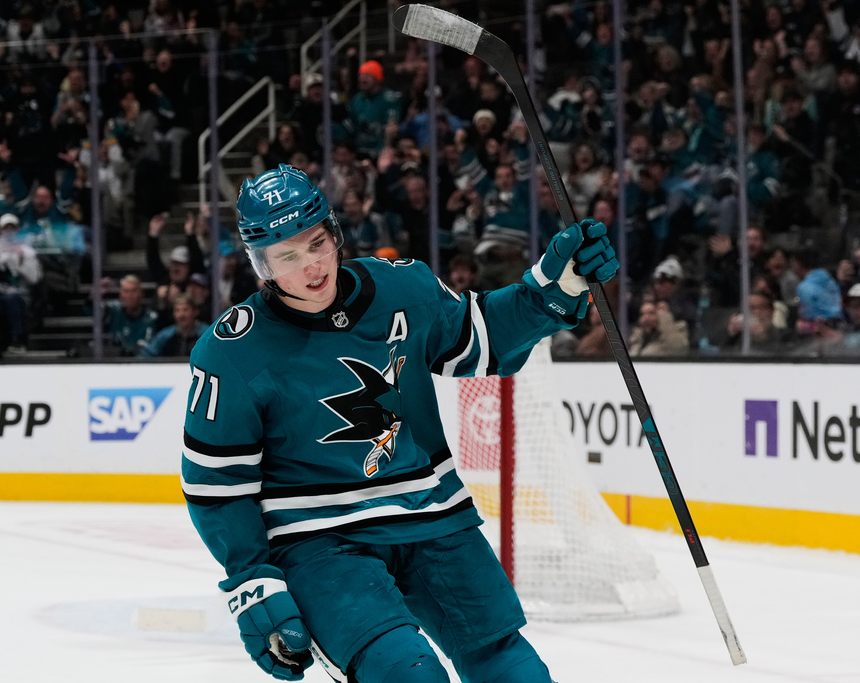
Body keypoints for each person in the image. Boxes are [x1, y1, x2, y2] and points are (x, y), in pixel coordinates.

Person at [180, 164, 618, 682]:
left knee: (514, 670)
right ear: (263, 265)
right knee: (409, 673)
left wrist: (552, 288)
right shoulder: (232, 353)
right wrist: (253, 579)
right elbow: (216, 487)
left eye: (316, 243)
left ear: (333, 233)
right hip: (320, 542)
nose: (312, 266)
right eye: (288, 256)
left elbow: (482, 339)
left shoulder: (400, 286)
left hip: (433, 515)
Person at [0, 213, 42, 354]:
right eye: (5, 229)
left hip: (21, 295)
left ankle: (18, 340)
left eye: (12, 229)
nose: (9, 232)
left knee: (13, 299)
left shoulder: (27, 252)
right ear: (0, 230)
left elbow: (35, 278)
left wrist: (21, 259)